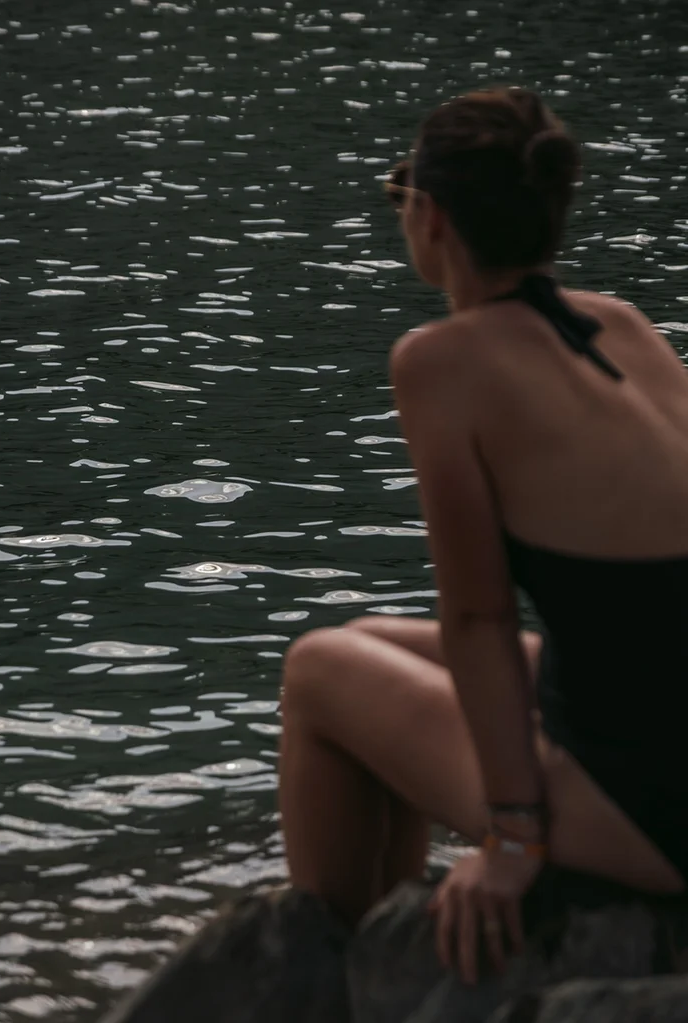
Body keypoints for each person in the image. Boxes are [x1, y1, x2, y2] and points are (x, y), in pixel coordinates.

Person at [277, 86, 688, 986]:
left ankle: (332, 980)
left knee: (316, 668)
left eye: (400, 193)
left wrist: (511, 837)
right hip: (644, 711)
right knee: (369, 640)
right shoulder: (622, 325)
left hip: (654, 803)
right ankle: (386, 930)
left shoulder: (440, 362)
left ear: (428, 214)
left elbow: (477, 617)